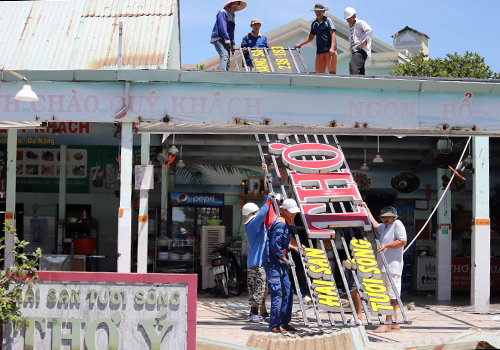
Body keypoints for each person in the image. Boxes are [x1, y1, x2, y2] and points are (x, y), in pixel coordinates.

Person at [362, 203, 407, 333]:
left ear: (393, 217)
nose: (385, 219)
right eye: (383, 217)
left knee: (391, 295)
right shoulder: (385, 227)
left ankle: (387, 323)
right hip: (384, 267)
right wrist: (367, 209)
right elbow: (376, 226)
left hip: (392, 267)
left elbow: (403, 241)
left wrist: (386, 245)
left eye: (388, 217)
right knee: (388, 294)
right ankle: (395, 323)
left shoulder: (397, 224)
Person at [263, 198, 300, 333]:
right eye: (291, 212)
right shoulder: (280, 223)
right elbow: (275, 245)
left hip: (279, 262)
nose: (294, 214)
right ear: (283, 210)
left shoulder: (286, 223)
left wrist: (295, 247)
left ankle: (284, 323)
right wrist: (285, 259)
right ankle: (274, 325)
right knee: (277, 292)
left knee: (288, 291)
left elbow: (283, 242)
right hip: (273, 262)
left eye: (294, 212)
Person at [242, 164, 272, 322]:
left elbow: (262, 210)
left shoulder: (252, 225)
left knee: (258, 288)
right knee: (258, 289)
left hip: (255, 261)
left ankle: (255, 312)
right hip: (256, 263)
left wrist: (265, 175)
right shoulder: (253, 225)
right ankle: (254, 314)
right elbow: (264, 210)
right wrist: (268, 198)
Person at [294, 3, 337, 74]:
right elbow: (311, 37)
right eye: (316, 11)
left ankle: (333, 84)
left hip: (329, 51)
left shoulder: (328, 20)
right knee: (319, 73)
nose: (318, 13)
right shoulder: (314, 24)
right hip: (320, 51)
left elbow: (333, 33)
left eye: (320, 11)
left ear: (323, 12)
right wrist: (300, 44)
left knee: (332, 71)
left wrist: (332, 48)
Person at [210, 0, 247, 71]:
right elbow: (222, 27)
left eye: (237, 5)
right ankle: (223, 73)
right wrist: (227, 39)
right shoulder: (223, 12)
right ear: (229, 4)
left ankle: (226, 72)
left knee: (227, 59)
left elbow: (231, 31)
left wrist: (232, 43)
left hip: (226, 39)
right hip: (219, 38)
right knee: (224, 55)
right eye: (234, 4)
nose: (236, 6)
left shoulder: (233, 16)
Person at [344, 7, 372, 75]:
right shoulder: (351, 27)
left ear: (354, 16)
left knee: (353, 65)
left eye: (349, 18)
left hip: (361, 50)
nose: (348, 20)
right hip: (355, 51)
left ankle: (354, 83)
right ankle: (361, 84)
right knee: (360, 71)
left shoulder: (360, 23)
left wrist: (363, 44)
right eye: (347, 19)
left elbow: (369, 30)